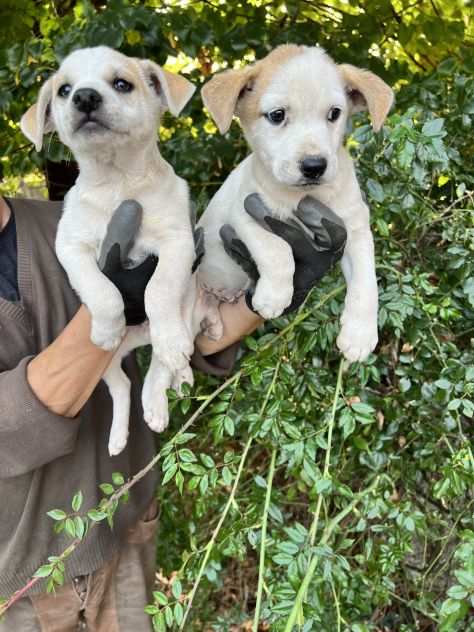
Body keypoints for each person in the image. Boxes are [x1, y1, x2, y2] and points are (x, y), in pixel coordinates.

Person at [0, 192, 345, 631]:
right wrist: (110, 310)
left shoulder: (75, 223)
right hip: (17, 575)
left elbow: (188, 333)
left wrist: (267, 294)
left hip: (126, 523)